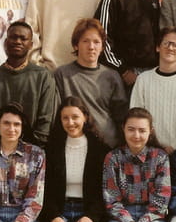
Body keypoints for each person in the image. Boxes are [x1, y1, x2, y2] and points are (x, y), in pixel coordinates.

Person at [0, 21, 58, 147]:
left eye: (23, 38)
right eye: (13, 37)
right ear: (5, 42)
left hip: (33, 151)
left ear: (31, 45)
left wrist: (31, 150)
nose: (18, 42)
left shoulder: (43, 77)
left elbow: (46, 120)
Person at [54, 18, 128, 148]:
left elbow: (121, 117)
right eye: (85, 41)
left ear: (102, 47)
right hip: (74, 146)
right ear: (76, 45)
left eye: (96, 42)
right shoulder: (62, 75)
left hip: (107, 146)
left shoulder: (112, 76)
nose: (91, 47)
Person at [130, 27, 176, 153]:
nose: (170, 48)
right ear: (157, 47)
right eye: (166, 43)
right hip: (150, 151)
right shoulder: (143, 80)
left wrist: (174, 146)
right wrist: (153, 146)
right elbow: (136, 117)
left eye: (175, 45)